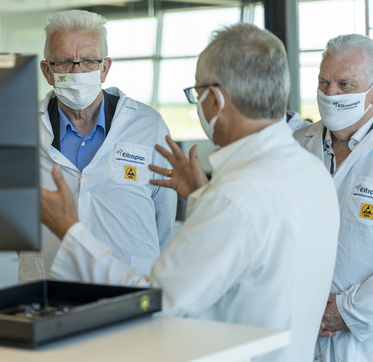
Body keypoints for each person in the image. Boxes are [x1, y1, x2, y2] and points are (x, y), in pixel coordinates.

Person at [40, 23, 340, 361]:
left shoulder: (235, 196)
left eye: (195, 94)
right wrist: (201, 195)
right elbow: (245, 256)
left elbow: (154, 305)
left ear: (216, 99)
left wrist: (70, 232)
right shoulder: (310, 171)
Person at [18, 10, 177, 282]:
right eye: (65, 62)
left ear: (105, 67)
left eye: (89, 61)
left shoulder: (148, 126)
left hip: (129, 288)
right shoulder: (22, 131)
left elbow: (164, 217)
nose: (78, 71)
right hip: (50, 288)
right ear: (47, 71)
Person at [293, 34, 373, 362]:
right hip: (297, 334)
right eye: (323, 81)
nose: (330, 94)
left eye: (345, 84)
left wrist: (346, 310)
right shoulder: (295, 146)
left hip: (361, 342)